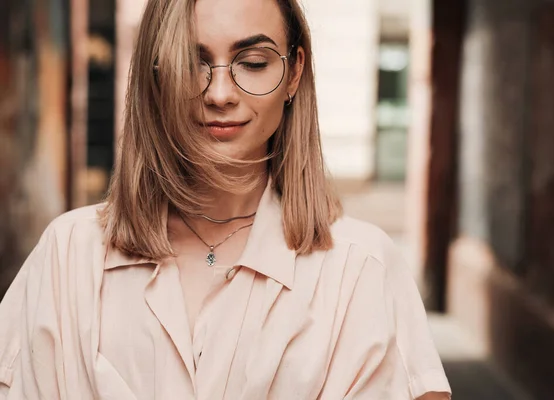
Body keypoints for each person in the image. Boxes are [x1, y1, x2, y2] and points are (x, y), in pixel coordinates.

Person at [0, 0, 452, 398]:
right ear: (154, 76)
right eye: (191, 63)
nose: (219, 94)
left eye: (253, 62)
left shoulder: (361, 269)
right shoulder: (67, 256)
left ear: (294, 72)